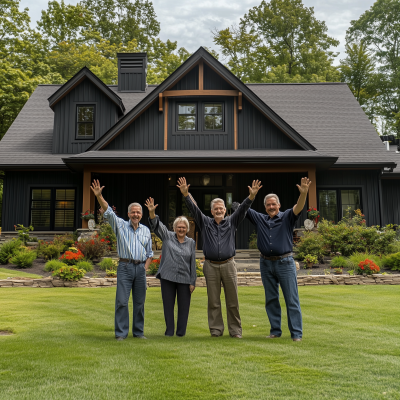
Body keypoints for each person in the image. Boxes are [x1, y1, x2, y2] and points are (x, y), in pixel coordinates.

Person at [177, 177, 262, 338]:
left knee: (233, 301)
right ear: (212, 211)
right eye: (216, 208)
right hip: (211, 266)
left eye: (221, 208)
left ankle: (235, 331)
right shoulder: (205, 222)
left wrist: (251, 197)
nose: (218, 210)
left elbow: (243, 209)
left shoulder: (232, 222)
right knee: (214, 301)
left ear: (225, 210)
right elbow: (194, 210)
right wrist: (186, 195)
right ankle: (216, 330)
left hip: (229, 265)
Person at [246, 177, 312, 342]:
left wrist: (303, 193)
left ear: (279, 205)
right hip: (265, 263)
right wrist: (251, 196)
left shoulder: (287, 216)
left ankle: (296, 334)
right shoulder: (260, 218)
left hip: (285, 263)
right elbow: (243, 209)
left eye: (273, 204)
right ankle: (275, 330)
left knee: (291, 299)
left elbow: (298, 207)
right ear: (265, 207)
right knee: (271, 299)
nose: (271, 207)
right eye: (268, 204)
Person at [90, 180, 153, 340]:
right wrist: (99, 196)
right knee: (122, 302)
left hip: (140, 269)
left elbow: (150, 254)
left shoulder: (146, 230)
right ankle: (121, 334)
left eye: (138, 212)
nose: (135, 214)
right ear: (128, 214)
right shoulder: (120, 225)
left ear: (141, 214)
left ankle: (138, 333)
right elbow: (108, 211)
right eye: (133, 212)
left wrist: (144, 269)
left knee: (139, 304)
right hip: (125, 267)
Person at [145, 197, 196, 337]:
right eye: (179, 227)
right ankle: (169, 332)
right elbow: (156, 224)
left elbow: (192, 262)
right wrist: (152, 213)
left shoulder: (191, 242)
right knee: (168, 306)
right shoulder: (167, 236)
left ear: (187, 229)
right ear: (174, 228)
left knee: (184, 308)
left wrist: (193, 281)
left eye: (183, 227)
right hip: (168, 277)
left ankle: (180, 333)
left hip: (185, 279)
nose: (181, 229)